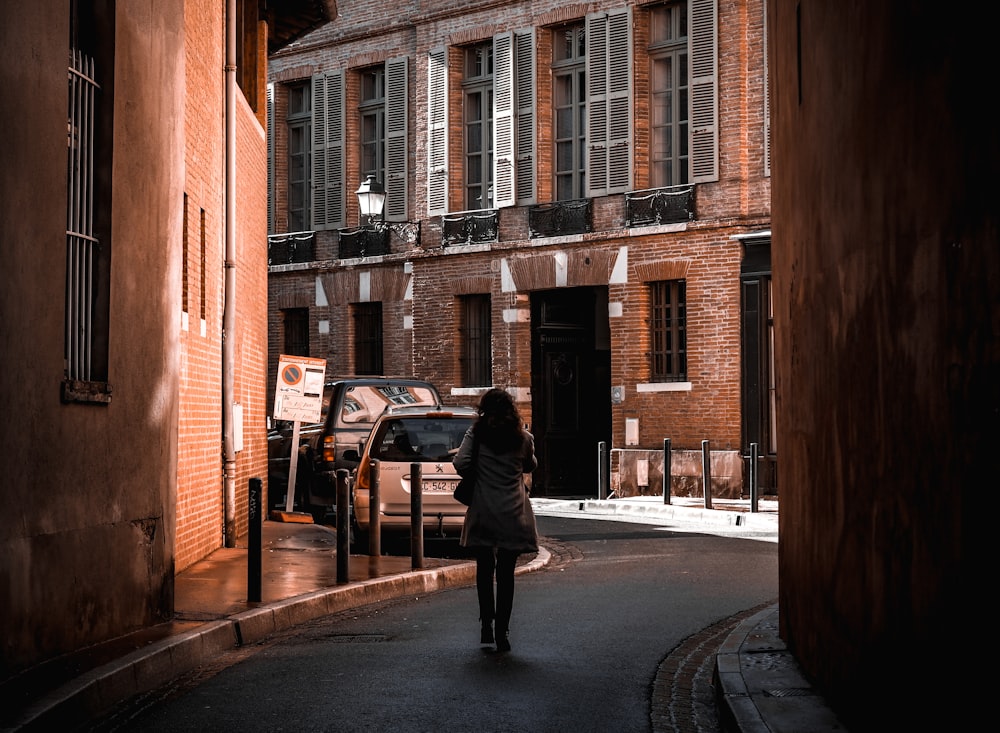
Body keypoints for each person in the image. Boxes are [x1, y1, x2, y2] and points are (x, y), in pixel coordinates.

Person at [454, 388, 538, 653]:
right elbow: (530, 465)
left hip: (484, 511)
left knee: (484, 568)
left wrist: (480, 472)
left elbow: (460, 463)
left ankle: (486, 625)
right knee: (506, 574)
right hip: (512, 513)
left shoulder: (476, 436)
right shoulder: (523, 438)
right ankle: (503, 631)